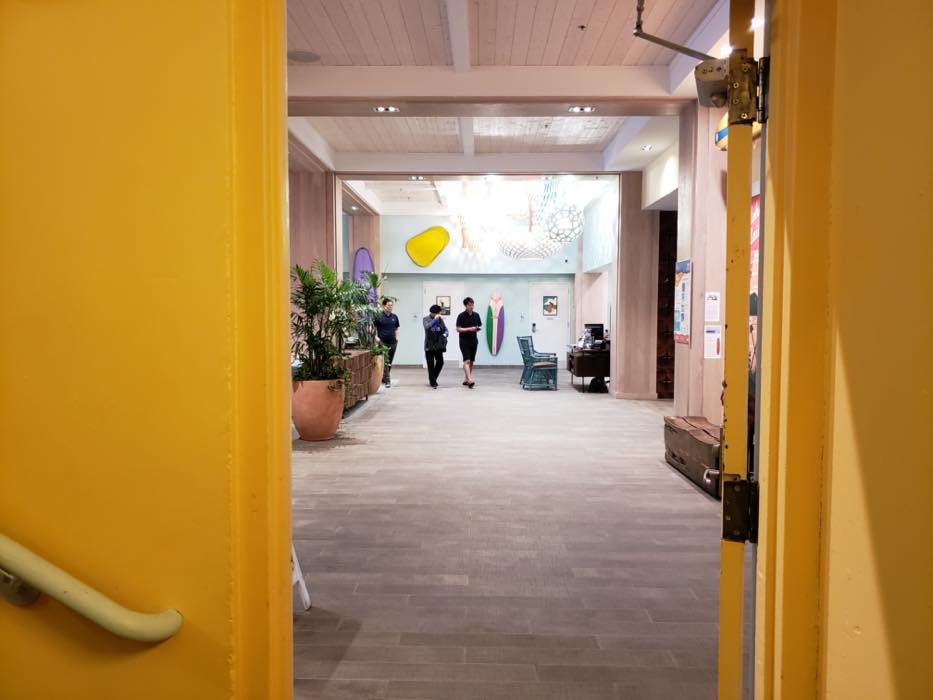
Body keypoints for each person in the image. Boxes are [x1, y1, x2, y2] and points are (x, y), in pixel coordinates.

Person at [455, 296, 482, 388]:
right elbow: (458, 329)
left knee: (471, 361)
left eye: (472, 305)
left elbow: (478, 326)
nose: (471, 307)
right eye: (469, 305)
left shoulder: (476, 315)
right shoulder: (461, 316)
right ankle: (470, 380)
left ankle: (466, 379)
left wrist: (476, 329)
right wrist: (470, 329)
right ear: (465, 305)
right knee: (467, 360)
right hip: (464, 341)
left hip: (474, 341)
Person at [373, 298, 400, 387]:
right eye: (389, 305)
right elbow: (373, 328)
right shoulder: (379, 316)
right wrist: (375, 337)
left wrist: (397, 338)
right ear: (384, 306)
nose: (391, 307)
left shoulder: (395, 317)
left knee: (389, 362)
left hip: (393, 342)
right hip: (382, 342)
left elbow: (397, 328)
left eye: (392, 305)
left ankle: (384, 378)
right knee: (385, 361)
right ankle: (387, 381)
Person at [422, 304, 448, 389]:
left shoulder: (440, 319)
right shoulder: (425, 319)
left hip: (438, 345)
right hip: (429, 345)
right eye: (438, 313)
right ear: (433, 313)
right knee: (430, 364)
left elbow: (445, 329)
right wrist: (435, 320)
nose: (439, 314)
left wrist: (445, 334)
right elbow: (427, 327)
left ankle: (433, 379)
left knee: (440, 362)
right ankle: (433, 382)